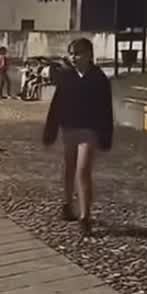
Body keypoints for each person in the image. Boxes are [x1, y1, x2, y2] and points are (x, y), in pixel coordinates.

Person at [43, 38, 113, 236]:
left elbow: (106, 109)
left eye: (78, 53)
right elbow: (56, 105)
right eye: (71, 53)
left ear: (89, 54)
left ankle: (85, 216)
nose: (74, 57)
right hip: (69, 129)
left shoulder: (99, 78)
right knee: (68, 169)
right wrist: (50, 131)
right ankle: (67, 204)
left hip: (89, 130)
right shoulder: (67, 77)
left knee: (83, 172)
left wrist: (106, 136)